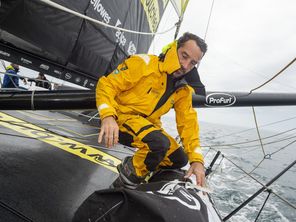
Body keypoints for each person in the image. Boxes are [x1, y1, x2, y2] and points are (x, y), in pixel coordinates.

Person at [96, 32, 207, 189]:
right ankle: (124, 182)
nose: (185, 65)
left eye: (192, 63)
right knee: (159, 144)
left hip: (147, 126)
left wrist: (196, 160)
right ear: (175, 47)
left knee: (179, 159)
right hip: (120, 118)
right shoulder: (143, 63)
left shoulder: (183, 89)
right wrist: (107, 116)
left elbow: (188, 122)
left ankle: (143, 172)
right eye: (184, 56)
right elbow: (106, 85)